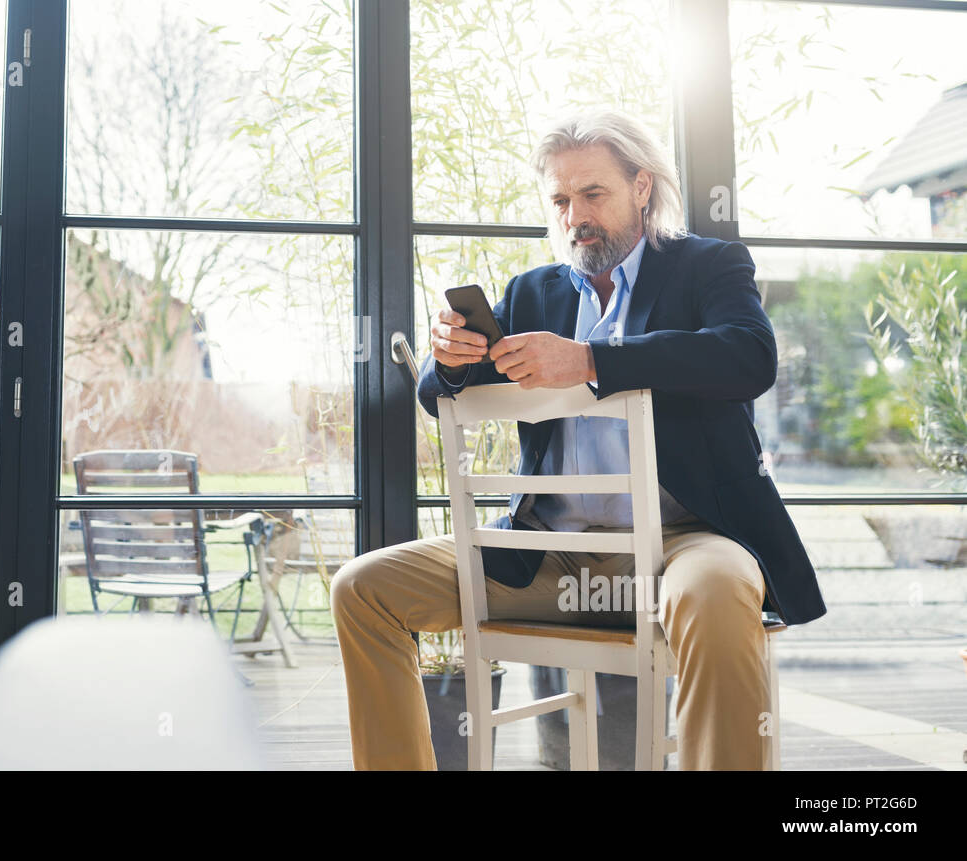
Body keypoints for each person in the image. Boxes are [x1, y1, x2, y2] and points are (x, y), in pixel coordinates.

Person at [330, 109, 826, 771]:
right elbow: (435, 391)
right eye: (561, 200)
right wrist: (448, 358)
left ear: (642, 188)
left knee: (720, 592)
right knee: (363, 588)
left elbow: (748, 357)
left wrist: (593, 360)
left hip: (682, 545)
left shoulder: (708, 266)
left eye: (593, 194)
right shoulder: (532, 292)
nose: (575, 216)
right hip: (544, 556)